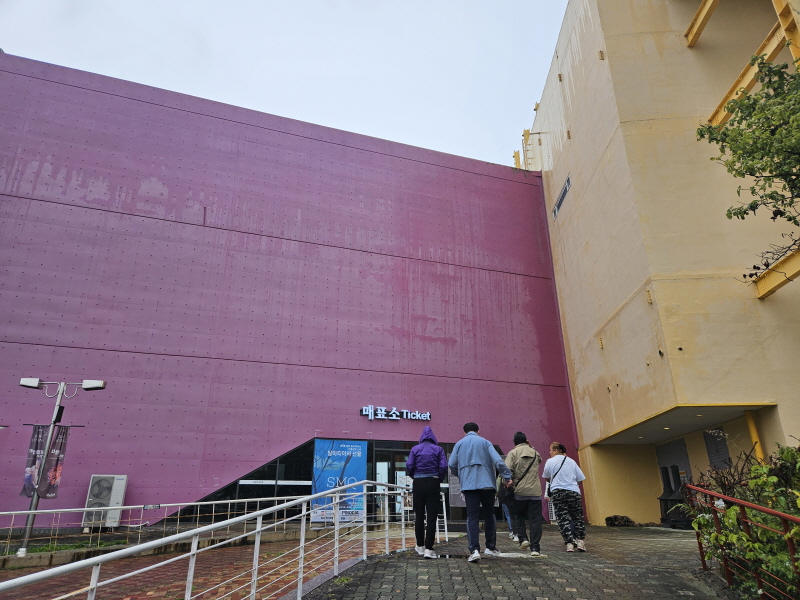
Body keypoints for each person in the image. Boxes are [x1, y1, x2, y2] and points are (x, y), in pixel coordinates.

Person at [449, 422, 512, 562]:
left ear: (464, 432)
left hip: (469, 486)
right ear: (478, 430)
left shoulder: (459, 444)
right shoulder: (485, 442)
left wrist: (462, 475)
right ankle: (490, 547)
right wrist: (507, 477)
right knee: (490, 514)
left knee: (472, 516)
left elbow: (452, 464)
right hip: (487, 484)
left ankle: (474, 550)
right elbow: (498, 461)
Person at [406, 426, 448, 559]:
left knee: (419, 515)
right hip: (433, 482)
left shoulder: (415, 449)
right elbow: (443, 466)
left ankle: (420, 546)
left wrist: (414, 476)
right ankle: (429, 549)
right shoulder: (439, 449)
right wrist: (439, 478)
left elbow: (409, 465)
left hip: (418, 482)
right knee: (431, 516)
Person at [505, 432, 544, 556]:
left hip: (519, 492)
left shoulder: (512, 453)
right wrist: (530, 447)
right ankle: (535, 548)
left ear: (514, 442)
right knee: (535, 520)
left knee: (518, 516)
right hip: (535, 492)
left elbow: (507, 471)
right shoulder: (535, 453)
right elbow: (540, 460)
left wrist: (508, 482)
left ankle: (523, 538)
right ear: (526, 441)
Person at [543, 442, 587, 552]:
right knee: (577, 517)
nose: (550, 452)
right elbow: (580, 478)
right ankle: (580, 541)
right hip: (573, 491)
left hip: (558, 492)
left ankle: (569, 543)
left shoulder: (550, 461)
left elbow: (546, 477)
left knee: (562, 518)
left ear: (556, 450)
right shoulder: (571, 461)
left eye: (551, 450)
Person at [496, 475, 517, 541]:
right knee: (514, 515)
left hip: (504, 496)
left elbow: (497, 486)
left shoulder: (501, 476)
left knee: (508, 515)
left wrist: (496, 495)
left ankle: (512, 531)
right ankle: (516, 531)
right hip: (513, 495)